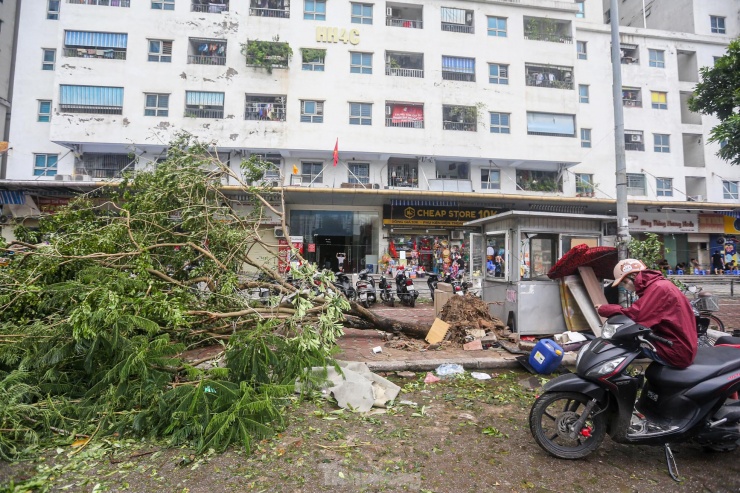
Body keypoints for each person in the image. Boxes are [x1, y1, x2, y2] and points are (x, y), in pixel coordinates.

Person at [596, 259, 697, 369]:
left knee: (622, 348)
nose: (625, 286)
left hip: (675, 351)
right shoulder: (658, 285)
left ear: (634, 276)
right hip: (675, 345)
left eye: (625, 282)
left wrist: (605, 309)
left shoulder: (658, 288)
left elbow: (636, 315)